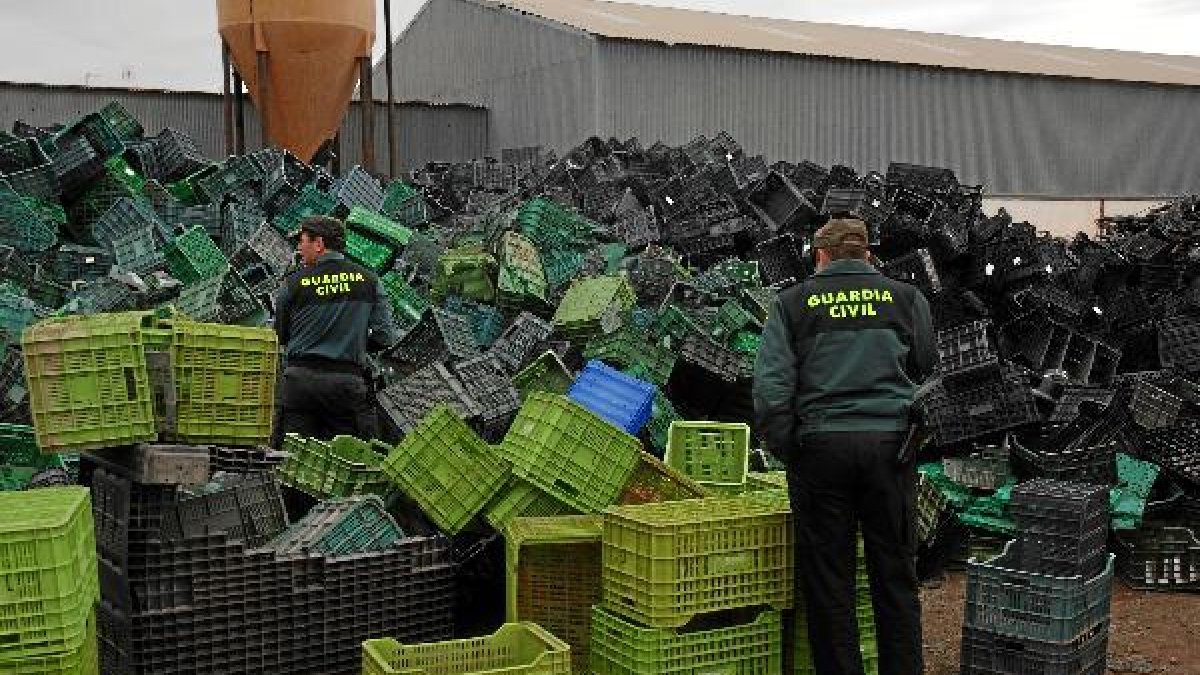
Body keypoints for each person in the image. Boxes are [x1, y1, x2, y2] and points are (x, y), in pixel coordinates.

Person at [753, 217, 937, 675]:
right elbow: (928, 366)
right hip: (890, 450)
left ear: (821, 256)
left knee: (830, 583)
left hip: (821, 450)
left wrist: (789, 446)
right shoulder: (905, 298)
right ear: (868, 254)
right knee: (895, 578)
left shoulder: (792, 303)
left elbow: (771, 387)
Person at [274, 215, 401, 441]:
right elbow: (384, 337)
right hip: (346, 387)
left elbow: (280, 336)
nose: (299, 248)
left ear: (319, 243)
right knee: (346, 459)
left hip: (300, 385)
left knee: (294, 460)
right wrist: (357, 344)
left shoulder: (292, 284)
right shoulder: (369, 281)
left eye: (302, 241)